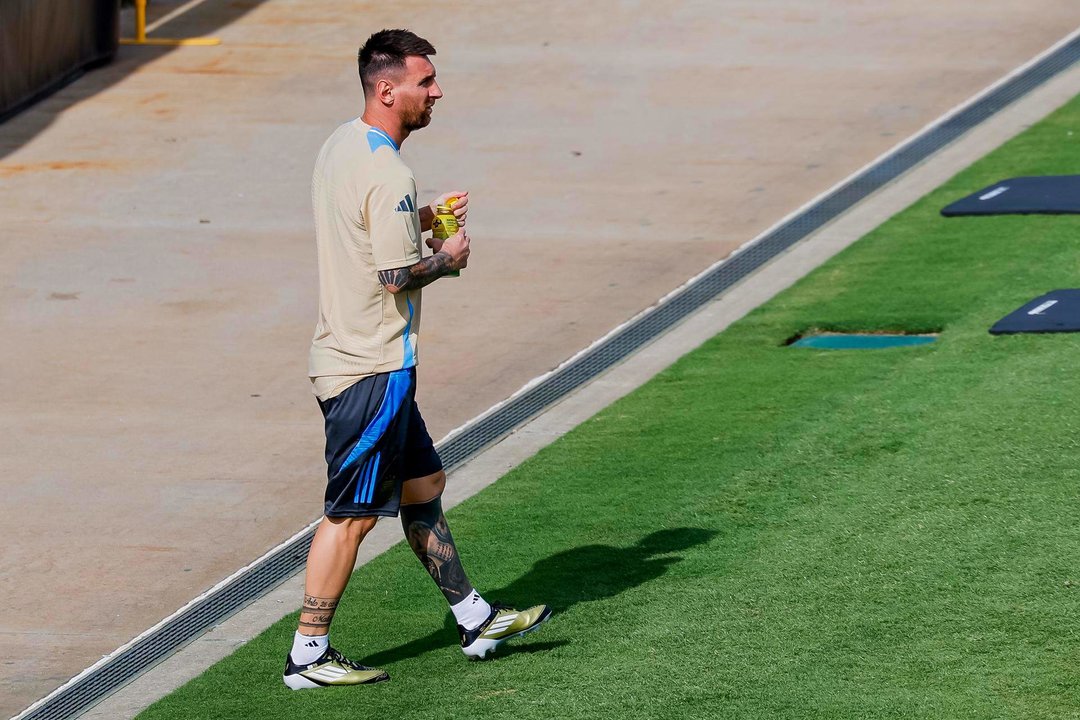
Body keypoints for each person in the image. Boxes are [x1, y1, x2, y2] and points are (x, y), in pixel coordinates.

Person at [282, 28, 550, 690]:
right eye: (425, 81)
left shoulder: (342, 146)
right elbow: (397, 277)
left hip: (364, 361)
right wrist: (449, 258)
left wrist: (421, 219)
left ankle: (474, 618)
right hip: (368, 367)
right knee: (349, 516)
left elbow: (365, 234)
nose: (437, 91)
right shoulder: (388, 171)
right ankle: (308, 656)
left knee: (423, 487)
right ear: (388, 88)